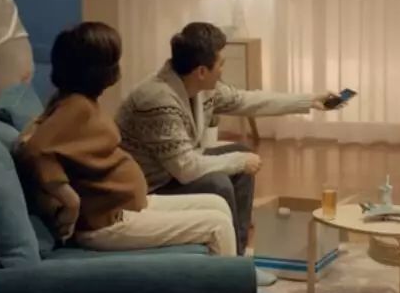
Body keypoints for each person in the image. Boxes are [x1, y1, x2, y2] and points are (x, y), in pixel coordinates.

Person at [116, 22, 342, 293]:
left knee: (239, 159)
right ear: (202, 71)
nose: (223, 69)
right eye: (221, 63)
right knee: (221, 178)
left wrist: (309, 101)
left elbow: (247, 100)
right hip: (150, 188)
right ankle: (231, 278)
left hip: (173, 172)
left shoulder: (199, 87)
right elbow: (186, 169)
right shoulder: (157, 99)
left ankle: (238, 261)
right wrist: (237, 161)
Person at [15, 22, 236, 257]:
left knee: (217, 204)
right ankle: (235, 279)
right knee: (217, 225)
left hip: (126, 205)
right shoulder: (76, 106)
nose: (117, 68)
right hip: (108, 222)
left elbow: (37, 134)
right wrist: (69, 200)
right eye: (113, 61)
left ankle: (229, 271)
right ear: (96, 69)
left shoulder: (75, 100)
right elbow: (33, 149)